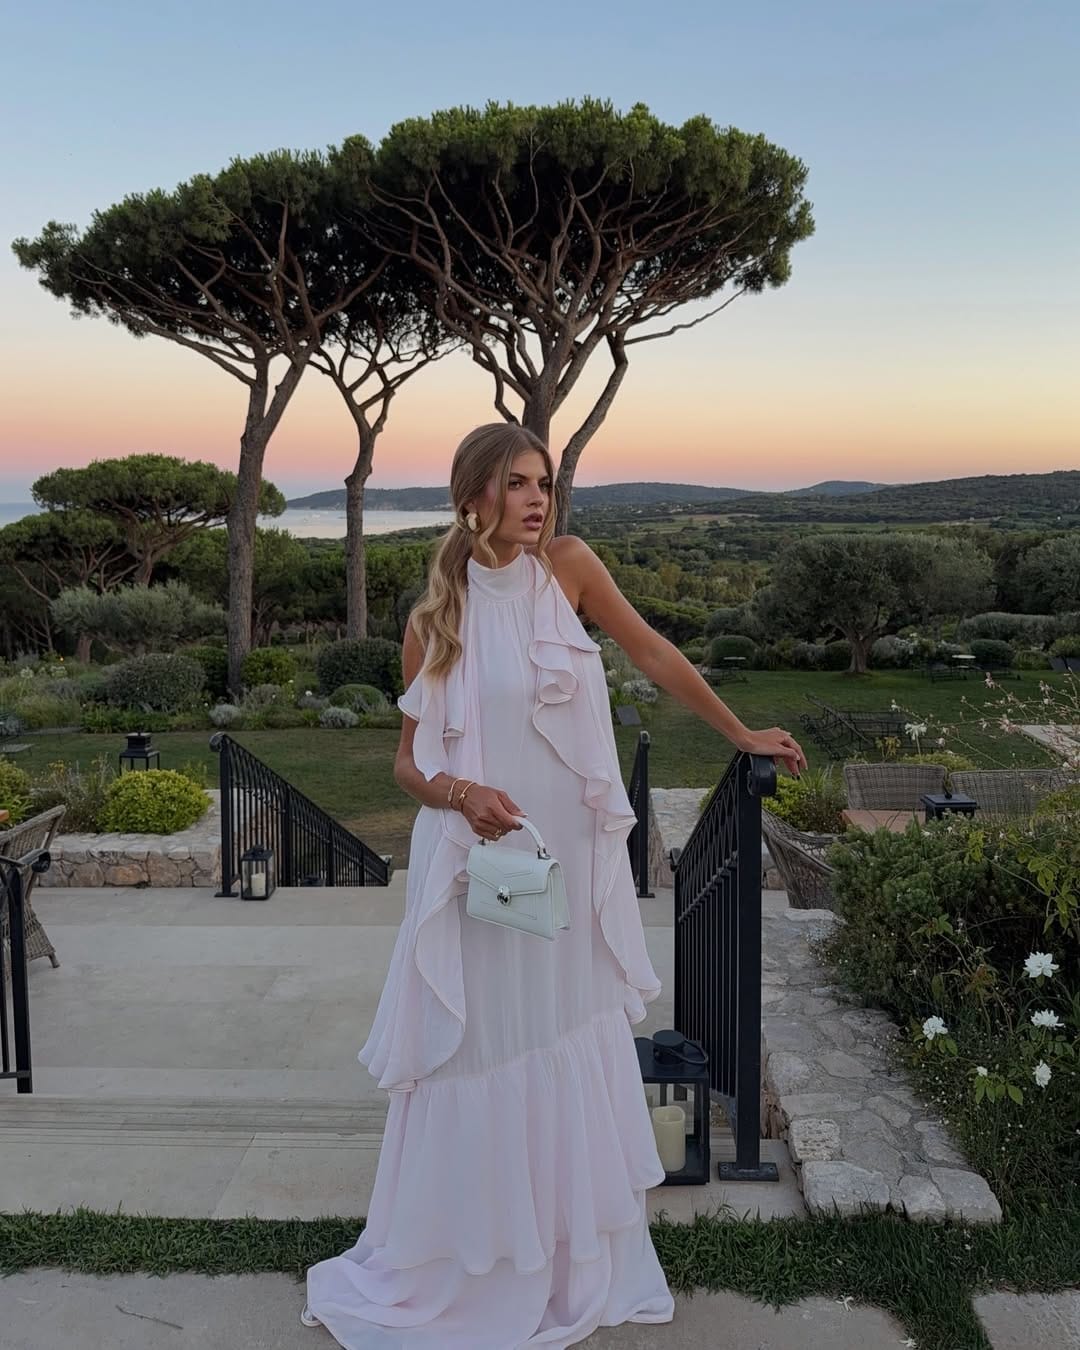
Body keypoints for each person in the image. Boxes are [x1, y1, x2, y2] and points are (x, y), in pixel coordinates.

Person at [303, 424, 807, 1348]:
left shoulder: (568, 567)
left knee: (563, 1031)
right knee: (483, 1044)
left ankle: (573, 1260)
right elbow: (409, 765)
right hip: (482, 867)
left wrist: (739, 733)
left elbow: (652, 652)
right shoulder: (430, 624)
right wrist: (462, 794)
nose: (538, 501)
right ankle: (476, 1262)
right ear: (472, 498)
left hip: (568, 859)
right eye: (517, 485)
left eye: (544, 483)